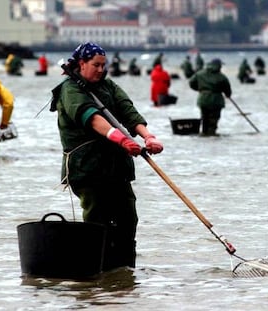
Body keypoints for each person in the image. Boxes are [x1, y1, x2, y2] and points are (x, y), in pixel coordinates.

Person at [50, 42, 164, 271]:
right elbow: (91, 117)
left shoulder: (108, 86)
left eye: (104, 65)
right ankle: (96, 275)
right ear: (81, 64)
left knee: (127, 219)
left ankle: (123, 275)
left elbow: (128, 112)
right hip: (88, 169)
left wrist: (147, 136)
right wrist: (120, 139)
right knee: (98, 221)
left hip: (116, 168)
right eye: (96, 65)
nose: (101, 70)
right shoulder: (69, 89)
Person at [189, 58, 232, 136]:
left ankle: (204, 134)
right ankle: (212, 135)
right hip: (216, 101)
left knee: (204, 118)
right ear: (219, 66)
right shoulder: (222, 77)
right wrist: (227, 94)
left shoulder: (199, 74)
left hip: (203, 99)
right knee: (213, 119)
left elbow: (191, 83)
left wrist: (200, 89)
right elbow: (227, 90)